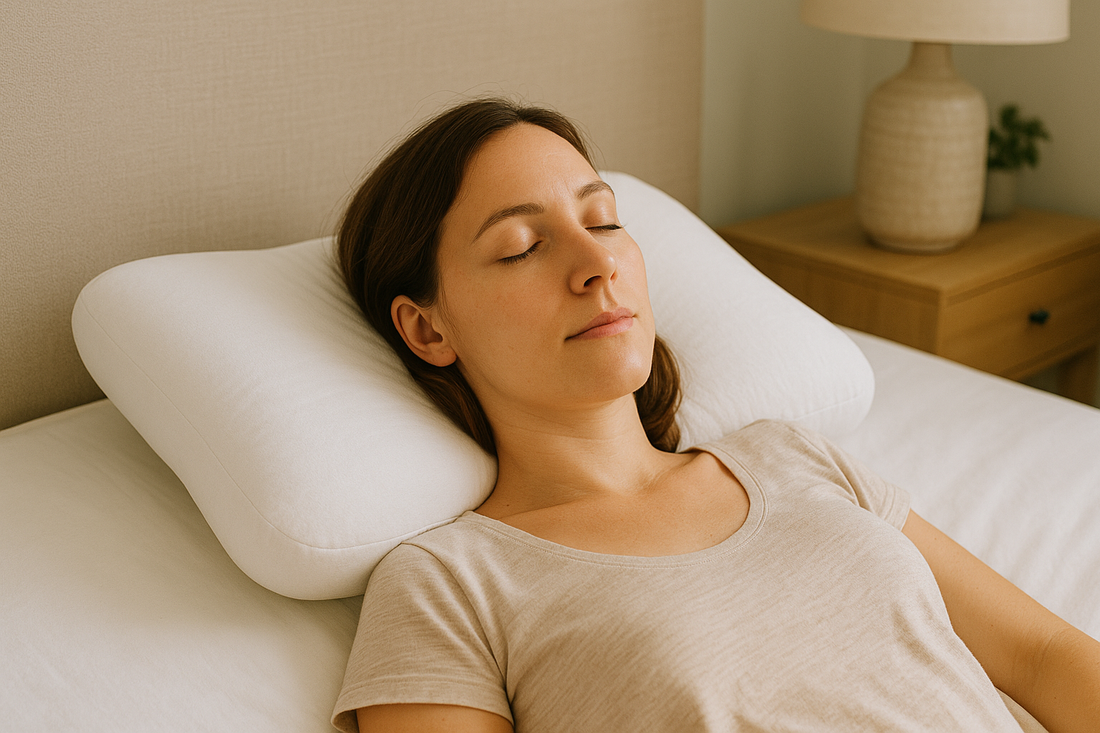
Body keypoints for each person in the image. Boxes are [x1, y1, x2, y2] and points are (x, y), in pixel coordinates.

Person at [331, 97, 1100, 733]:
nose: (597, 263)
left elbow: (1041, 655)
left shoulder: (789, 454)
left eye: (603, 220)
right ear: (427, 329)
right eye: (523, 245)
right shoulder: (449, 582)